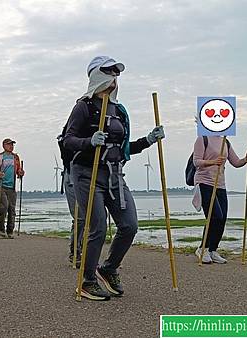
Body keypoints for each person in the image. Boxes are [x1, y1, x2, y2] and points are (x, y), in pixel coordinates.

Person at [63, 56, 165, 301]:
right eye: (109, 72)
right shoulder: (83, 107)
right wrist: (89, 141)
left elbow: (122, 148)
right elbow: (68, 140)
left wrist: (148, 141)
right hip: (87, 174)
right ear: (97, 75)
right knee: (98, 226)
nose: (114, 78)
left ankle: (107, 269)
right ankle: (87, 281)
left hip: (114, 175)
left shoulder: (119, 111)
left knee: (129, 225)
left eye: (116, 74)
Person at [192, 136, 247, 264]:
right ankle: (202, 249)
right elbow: (196, 162)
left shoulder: (225, 141)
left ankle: (213, 250)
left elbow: (236, 162)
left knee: (222, 219)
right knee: (215, 216)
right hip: (204, 183)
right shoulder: (202, 139)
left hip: (220, 184)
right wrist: (213, 162)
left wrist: (246, 159)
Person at [0, 139, 25, 239]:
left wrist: (21, 172)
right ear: (4, 145)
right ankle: (0, 228)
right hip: (0, 185)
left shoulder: (15, 157)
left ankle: (10, 230)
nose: (11, 146)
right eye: (9, 144)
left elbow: (18, 170)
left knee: (12, 209)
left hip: (12, 187)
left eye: (12, 144)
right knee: (3, 207)